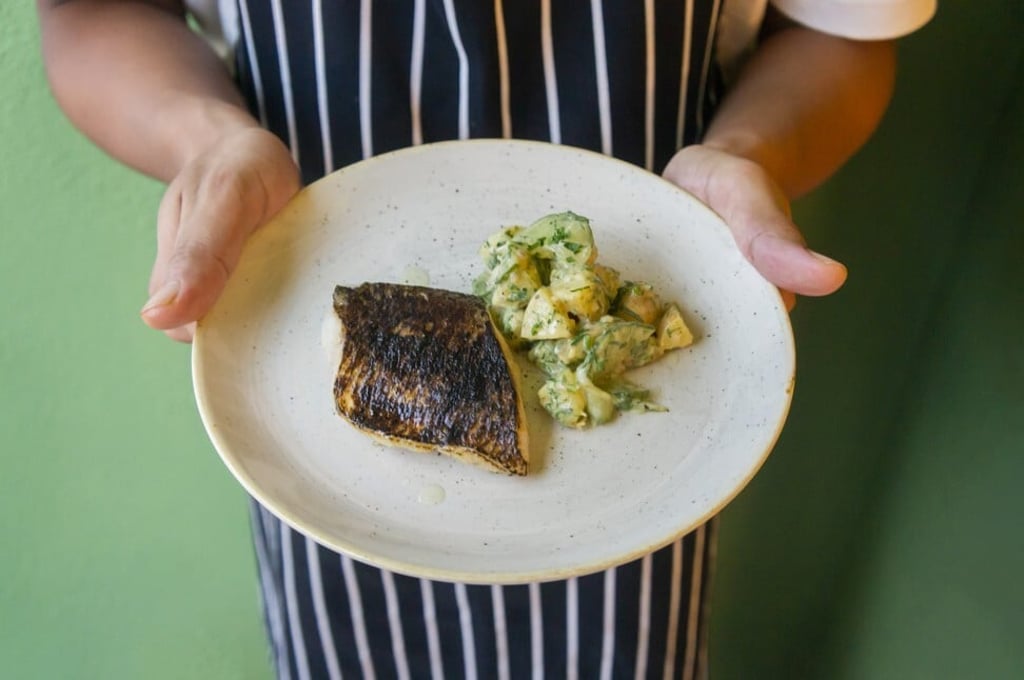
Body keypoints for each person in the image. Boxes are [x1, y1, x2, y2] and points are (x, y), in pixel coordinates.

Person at [37, 1, 935, 678]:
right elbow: (92, 12)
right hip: (313, 412)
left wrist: (752, 155)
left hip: (646, 457)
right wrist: (208, 142)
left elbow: (848, 29)